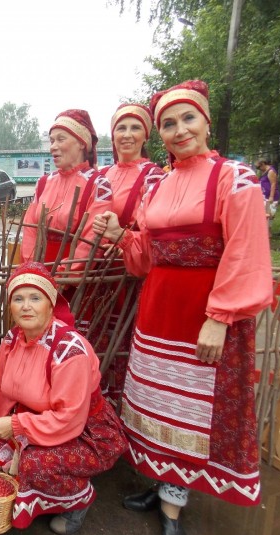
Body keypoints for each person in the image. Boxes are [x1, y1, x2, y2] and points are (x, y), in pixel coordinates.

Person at [92, 80, 273, 535]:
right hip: (157, 310)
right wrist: (119, 234)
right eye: (169, 124)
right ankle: (159, 484)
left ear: (206, 121)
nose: (178, 130)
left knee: (190, 408)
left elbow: (245, 252)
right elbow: (146, 256)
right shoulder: (162, 183)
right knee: (158, 403)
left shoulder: (235, 178)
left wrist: (220, 316)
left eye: (188, 119)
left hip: (201, 313)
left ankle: (174, 507)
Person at [0, 262, 126, 532]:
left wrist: (16, 426)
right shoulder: (12, 339)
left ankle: (77, 501)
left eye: (35, 298)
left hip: (84, 432)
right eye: (18, 299)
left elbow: (69, 417)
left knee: (34, 464)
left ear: (50, 304)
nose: (26, 306)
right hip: (37, 422)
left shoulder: (70, 350)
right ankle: (23, 502)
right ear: (10, 306)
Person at [98, 103, 164, 404]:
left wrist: (120, 238)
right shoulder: (101, 174)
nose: (126, 135)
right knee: (97, 342)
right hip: (95, 276)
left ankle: (126, 411)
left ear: (146, 135)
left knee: (122, 343)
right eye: (120, 128)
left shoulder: (153, 177)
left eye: (135, 127)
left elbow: (151, 229)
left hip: (127, 275)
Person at [20, 109, 112, 266]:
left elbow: (92, 239)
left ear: (82, 143)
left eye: (60, 139)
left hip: (74, 278)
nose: (53, 147)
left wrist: (66, 273)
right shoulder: (43, 183)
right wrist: (31, 268)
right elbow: (30, 230)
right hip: (37, 273)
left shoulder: (98, 185)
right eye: (51, 141)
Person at [255, 158, 280, 226]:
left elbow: (273, 184)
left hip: (271, 197)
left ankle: (268, 230)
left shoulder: (271, 171)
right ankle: (264, 229)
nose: (259, 169)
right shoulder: (264, 172)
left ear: (263, 164)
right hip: (264, 195)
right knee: (263, 213)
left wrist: (271, 196)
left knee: (270, 214)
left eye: (259, 167)